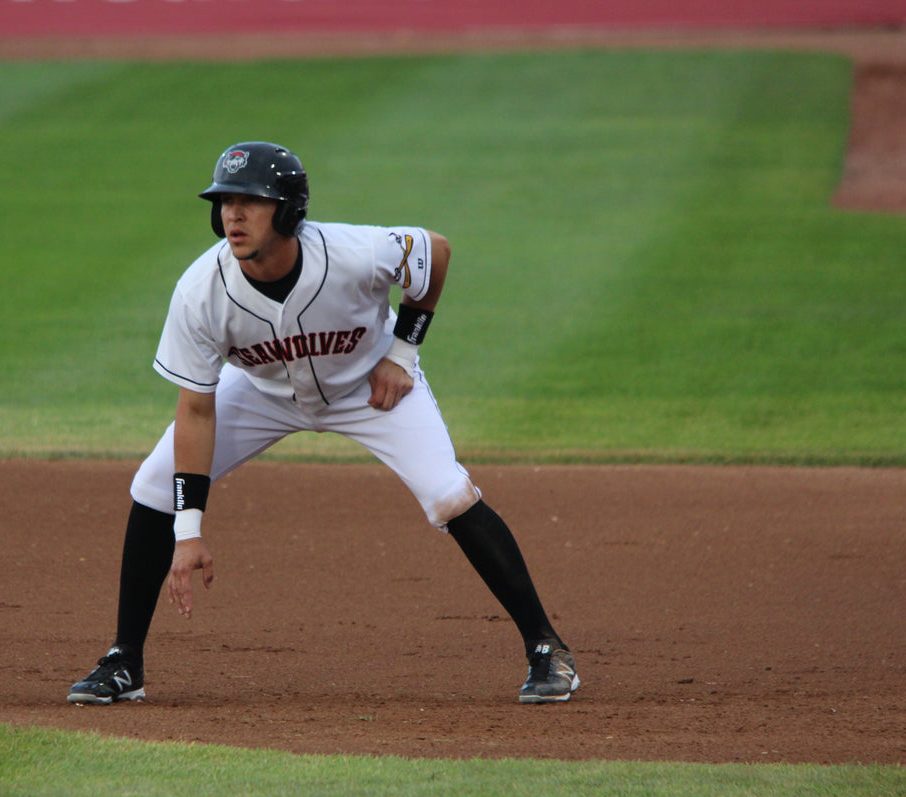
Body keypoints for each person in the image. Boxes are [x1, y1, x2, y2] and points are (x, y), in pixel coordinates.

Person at [68, 141, 579, 706]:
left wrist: (403, 354)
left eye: (250, 202)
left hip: (366, 385)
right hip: (262, 394)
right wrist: (188, 534)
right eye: (224, 203)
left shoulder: (355, 253)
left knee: (448, 496)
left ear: (287, 210)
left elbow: (434, 252)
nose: (232, 215)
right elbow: (195, 407)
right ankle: (125, 662)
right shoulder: (200, 290)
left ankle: (546, 647)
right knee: (153, 486)